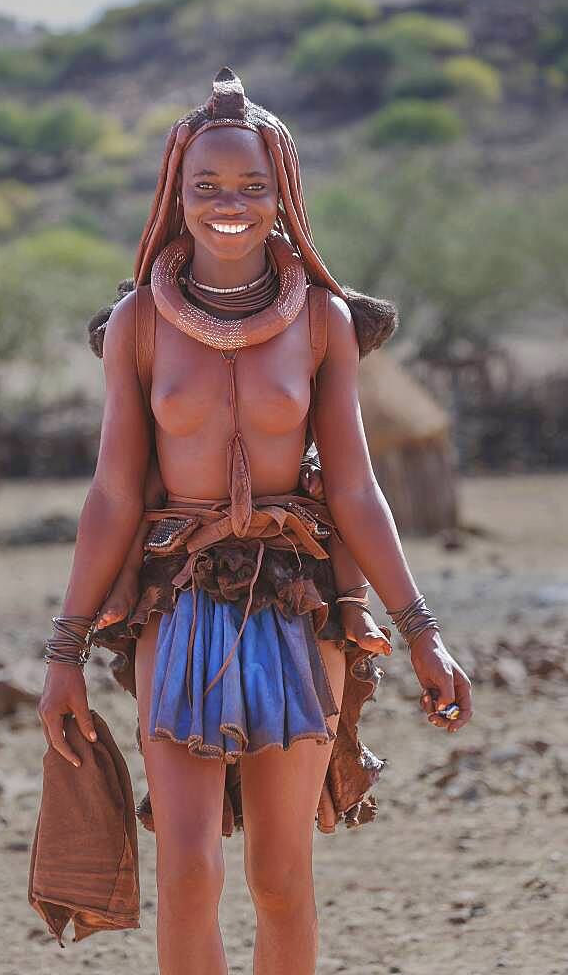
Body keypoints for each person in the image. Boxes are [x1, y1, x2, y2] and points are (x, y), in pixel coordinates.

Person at [38, 67, 473, 975]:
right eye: (206, 186)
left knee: (280, 875)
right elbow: (114, 495)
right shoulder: (137, 327)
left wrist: (420, 634)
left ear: (283, 196)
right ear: (175, 194)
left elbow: (353, 488)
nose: (227, 204)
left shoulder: (321, 321)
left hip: (294, 598)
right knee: (188, 869)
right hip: (178, 597)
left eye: (250, 187)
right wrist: (65, 654)